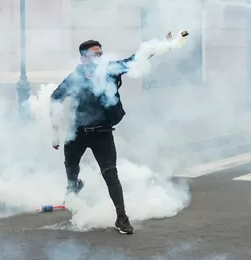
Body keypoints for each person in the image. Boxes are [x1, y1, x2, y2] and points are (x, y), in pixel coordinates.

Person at [49, 33, 178, 235]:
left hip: (102, 132)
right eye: (95, 55)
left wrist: (162, 45)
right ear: (83, 58)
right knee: (71, 166)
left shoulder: (109, 70)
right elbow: (55, 99)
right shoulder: (75, 78)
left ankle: (121, 217)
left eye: (101, 53)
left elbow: (135, 60)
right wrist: (55, 132)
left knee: (110, 174)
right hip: (78, 132)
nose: (100, 58)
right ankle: (73, 186)